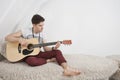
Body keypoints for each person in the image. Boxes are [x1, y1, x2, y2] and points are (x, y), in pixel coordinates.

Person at [5, 14, 80, 76]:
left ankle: (66, 69)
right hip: (28, 55)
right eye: (40, 25)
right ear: (34, 25)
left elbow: (46, 49)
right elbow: (7, 37)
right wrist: (19, 39)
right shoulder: (25, 31)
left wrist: (54, 47)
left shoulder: (43, 34)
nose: (42, 28)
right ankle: (49, 60)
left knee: (57, 52)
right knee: (32, 61)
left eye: (43, 25)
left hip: (38, 53)